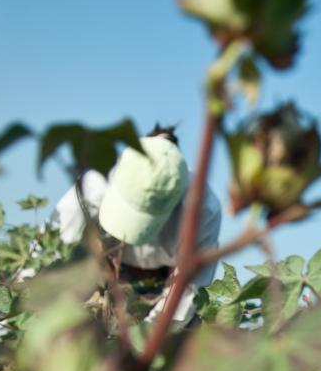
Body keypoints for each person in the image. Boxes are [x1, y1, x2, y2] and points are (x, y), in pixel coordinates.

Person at [43, 125, 223, 328]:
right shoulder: (95, 184)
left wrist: (142, 347)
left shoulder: (202, 210)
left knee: (181, 343)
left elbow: (183, 298)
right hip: (98, 274)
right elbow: (50, 253)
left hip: (160, 287)